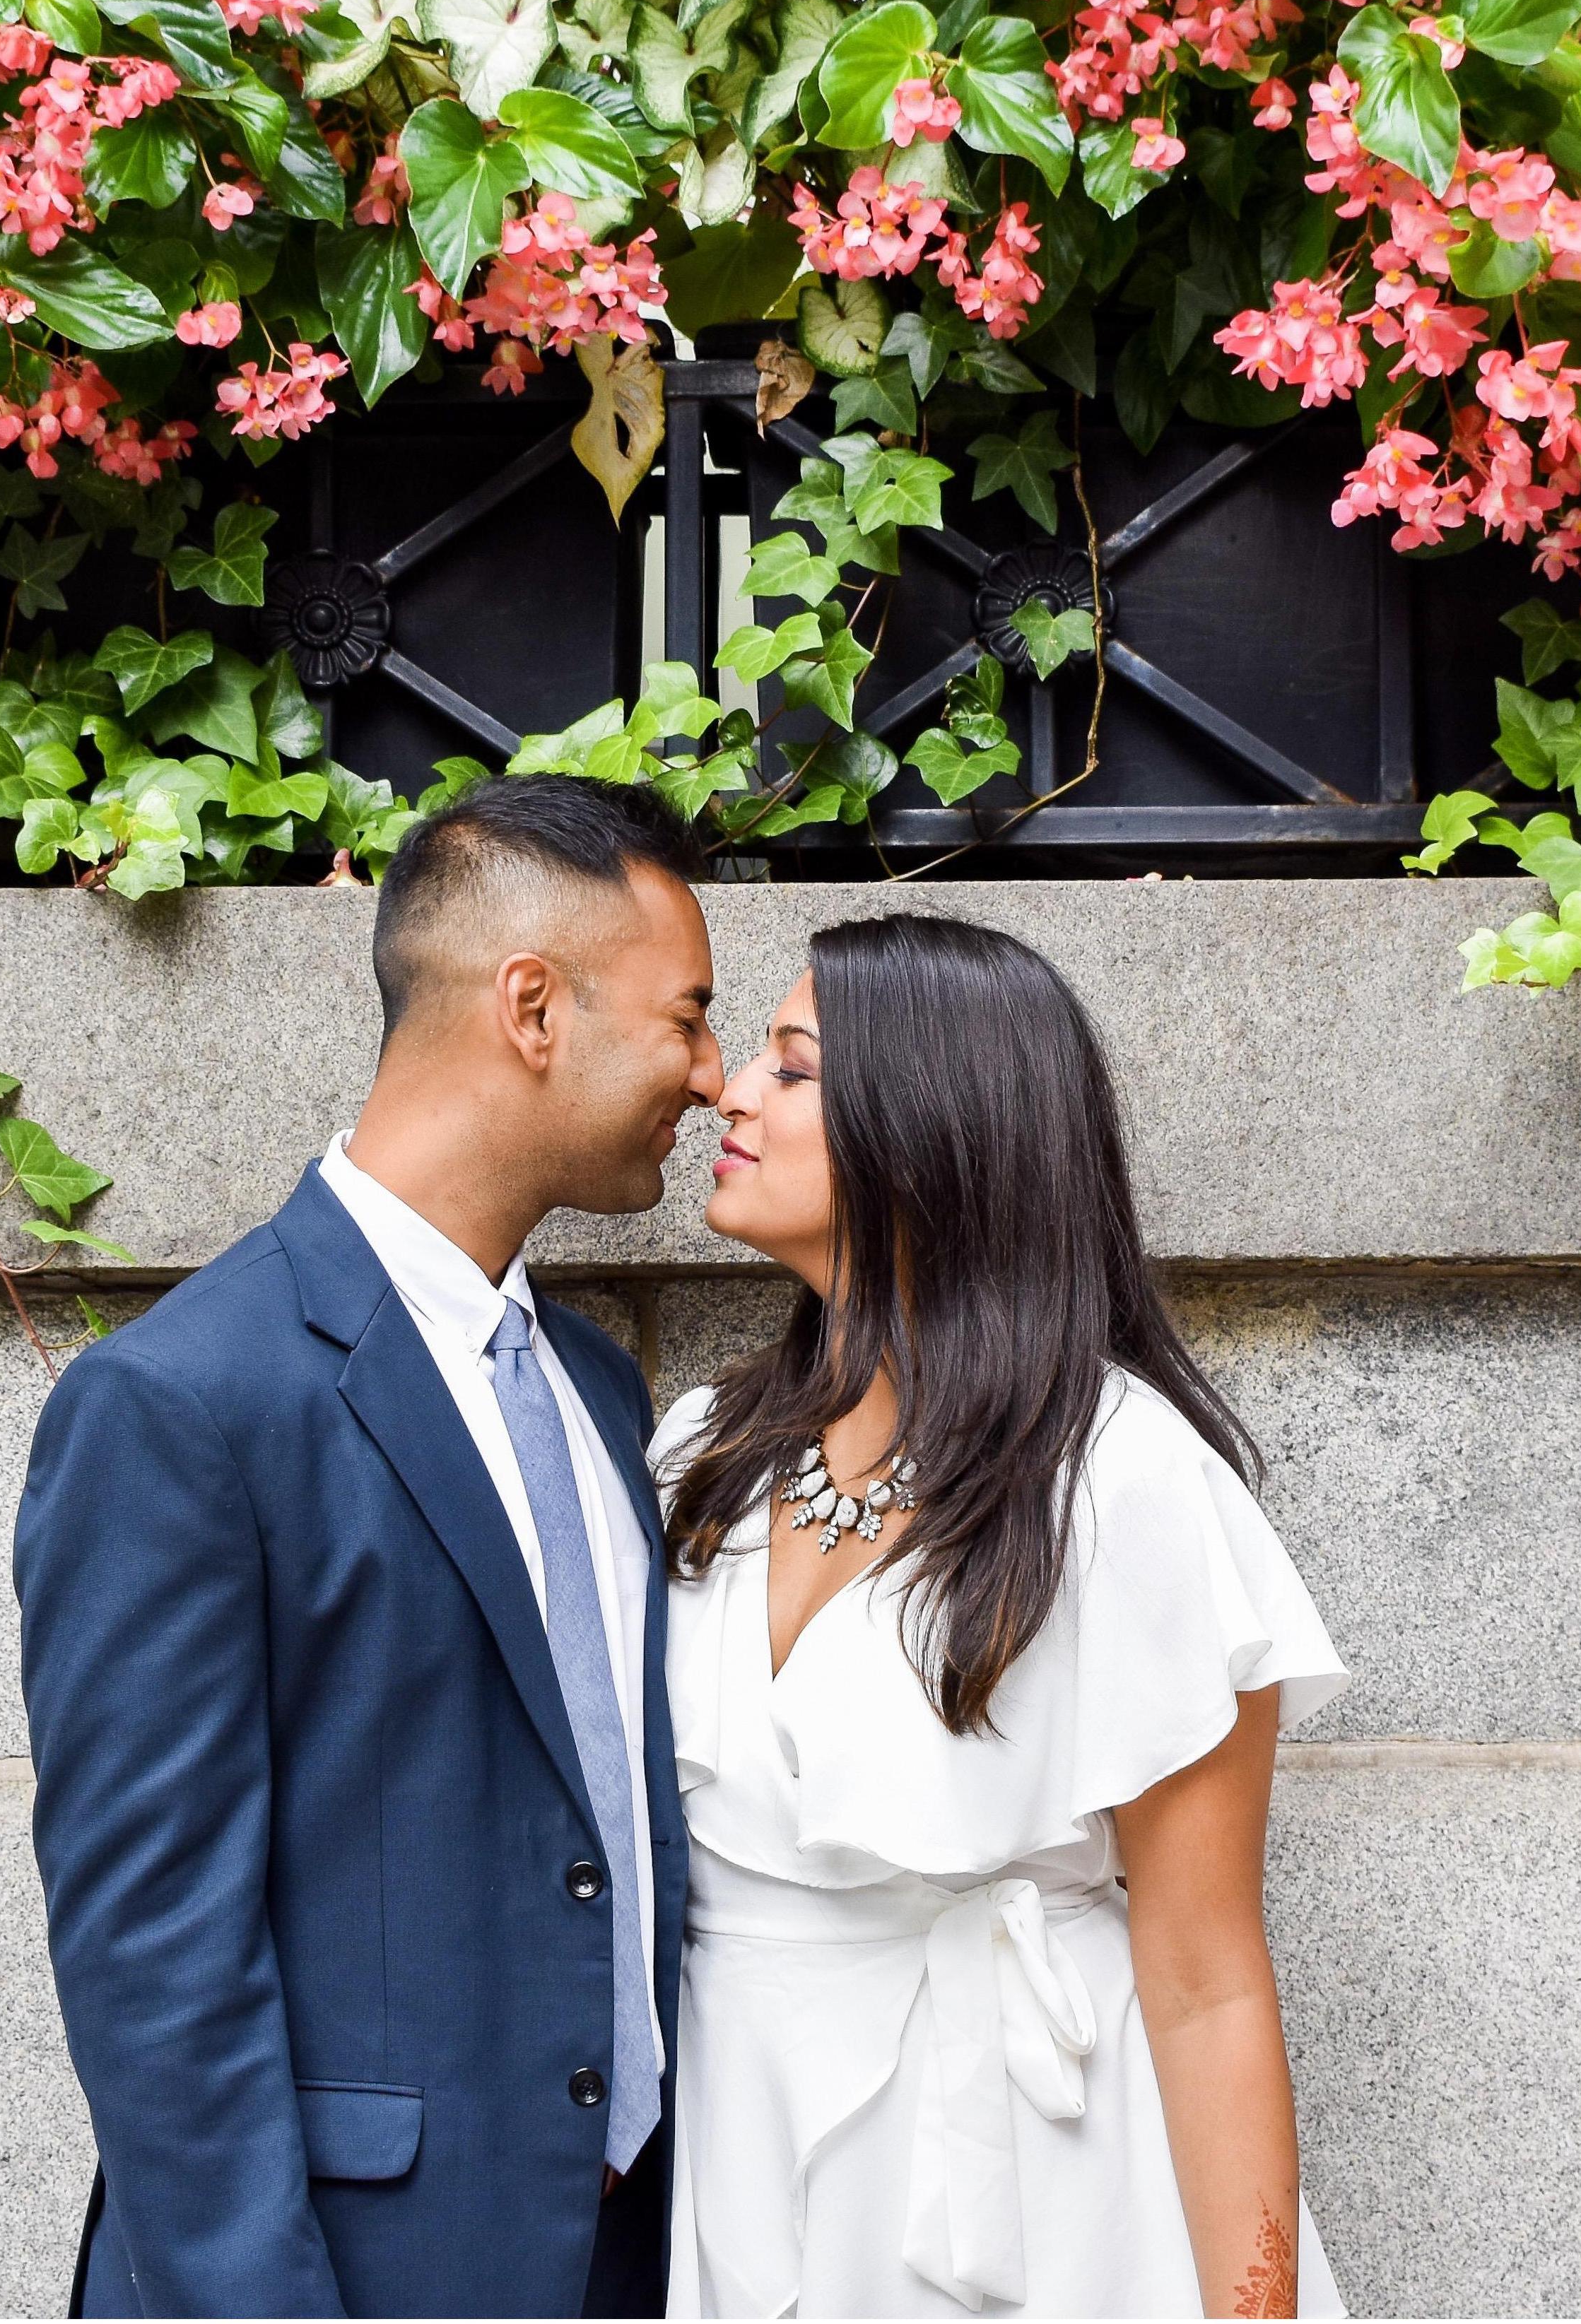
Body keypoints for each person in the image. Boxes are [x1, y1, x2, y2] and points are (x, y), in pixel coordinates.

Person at [14, 774, 724, 2318]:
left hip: (629, 2262)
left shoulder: (600, 1390)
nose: (714, 1073)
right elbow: (154, 1959)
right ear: (531, 1007)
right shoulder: (182, 1400)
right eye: (686, 1016)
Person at [654, 914, 1348, 2320]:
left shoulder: (1123, 1477)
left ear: (927, 1129)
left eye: (793, 1068)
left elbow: (1206, 1974)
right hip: (741, 2162)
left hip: (1039, 2194)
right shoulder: (696, 1456)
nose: (729, 1089)